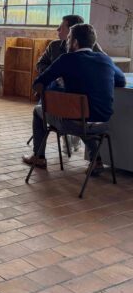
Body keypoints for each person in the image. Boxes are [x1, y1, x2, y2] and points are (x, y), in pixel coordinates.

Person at [23, 24, 126, 176]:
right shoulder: (106, 60)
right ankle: (96, 160)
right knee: (82, 113)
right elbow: (121, 81)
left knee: (39, 112)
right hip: (102, 123)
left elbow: (38, 84)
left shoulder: (66, 59)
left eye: (69, 38)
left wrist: (53, 90)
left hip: (73, 123)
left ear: (75, 42)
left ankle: (39, 157)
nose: (66, 42)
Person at [37, 14, 102, 74]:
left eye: (61, 27)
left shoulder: (91, 46)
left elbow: (103, 65)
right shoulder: (54, 45)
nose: (57, 29)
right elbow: (40, 64)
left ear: (72, 30)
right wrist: (54, 73)